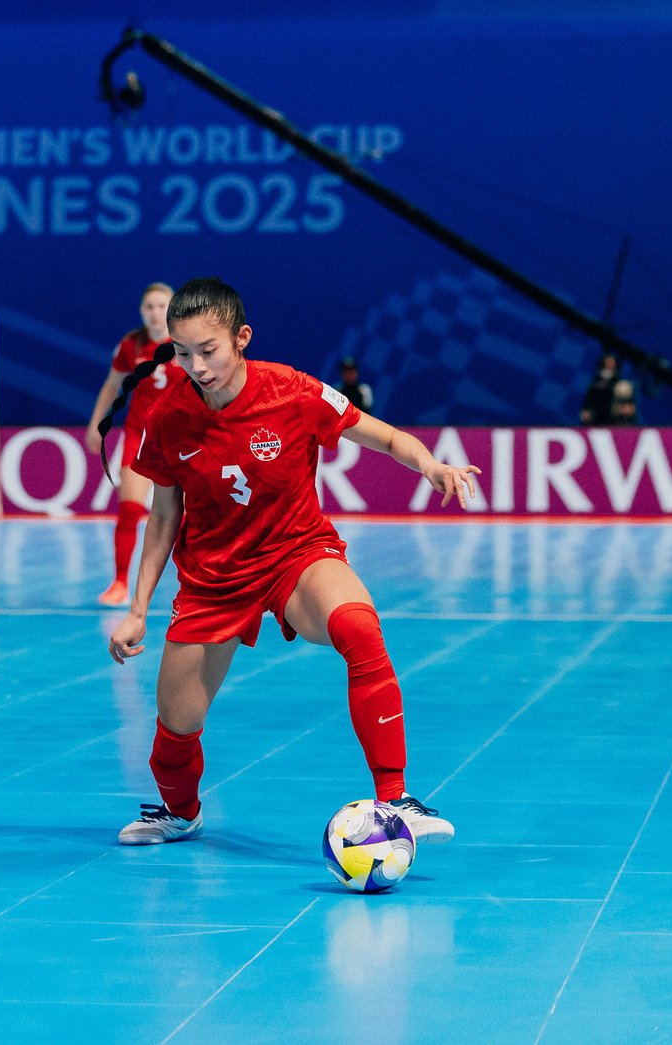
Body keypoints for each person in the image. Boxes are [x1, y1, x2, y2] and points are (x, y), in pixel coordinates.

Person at [100, 277, 481, 849]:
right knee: (175, 730)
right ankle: (180, 813)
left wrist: (429, 465)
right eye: (183, 353)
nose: (197, 366)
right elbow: (162, 518)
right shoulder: (170, 416)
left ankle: (394, 800)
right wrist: (136, 609)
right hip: (213, 580)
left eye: (209, 350)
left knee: (359, 626)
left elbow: (383, 437)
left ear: (241, 338)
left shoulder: (294, 391)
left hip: (295, 555)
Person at [85, 282, 181, 606]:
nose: (155, 312)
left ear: (173, 307)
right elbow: (112, 386)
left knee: (193, 515)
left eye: (161, 305)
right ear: (141, 311)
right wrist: (98, 424)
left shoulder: (187, 339)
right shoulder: (131, 344)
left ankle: (194, 584)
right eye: (149, 306)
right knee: (129, 510)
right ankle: (120, 582)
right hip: (140, 436)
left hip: (182, 437)